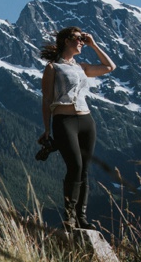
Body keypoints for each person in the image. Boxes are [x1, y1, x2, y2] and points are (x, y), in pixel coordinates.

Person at [39, 27, 115, 229]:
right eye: (78, 38)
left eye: (83, 39)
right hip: (64, 121)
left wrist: (94, 44)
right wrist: (47, 129)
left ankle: (81, 217)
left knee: (84, 170)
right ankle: (69, 217)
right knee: (75, 166)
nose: (81, 41)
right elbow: (46, 99)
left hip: (86, 120)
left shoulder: (82, 68)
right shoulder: (53, 68)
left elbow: (109, 67)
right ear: (66, 41)